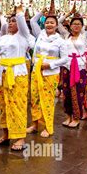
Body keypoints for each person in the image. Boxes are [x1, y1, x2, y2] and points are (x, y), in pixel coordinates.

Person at [0, 6, 33, 150]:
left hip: (18, 74)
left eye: (14, 21)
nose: (11, 23)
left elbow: (22, 23)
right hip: (3, 73)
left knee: (18, 105)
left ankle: (20, 137)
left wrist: (19, 11)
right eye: (10, 21)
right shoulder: (2, 38)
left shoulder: (24, 35)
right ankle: (6, 133)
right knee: (4, 106)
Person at [27, 9, 67, 137]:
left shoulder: (60, 40)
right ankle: (35, 124)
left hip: (50, 73)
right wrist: (40, 12)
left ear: (56, 25)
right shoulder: (40, 35)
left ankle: (48, 127)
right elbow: (32, 21)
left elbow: (65, 59)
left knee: (47, 100)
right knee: (34, 98)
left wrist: (50, 65)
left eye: (52, 23)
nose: (49, 24)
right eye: (47, 22)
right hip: (36, 71)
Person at [58, 10, 87, 128]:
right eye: (74, 24)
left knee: (79, 92)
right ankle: (68, 116)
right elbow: (58, 23)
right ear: (70, 26)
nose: (76, 26)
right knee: (66, 93)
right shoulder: (66, 35)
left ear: (82, 26)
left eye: (79, 24)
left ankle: (77, 117)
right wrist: (68, 13)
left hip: (79, 66)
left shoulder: (84, 36)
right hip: (67, 66)